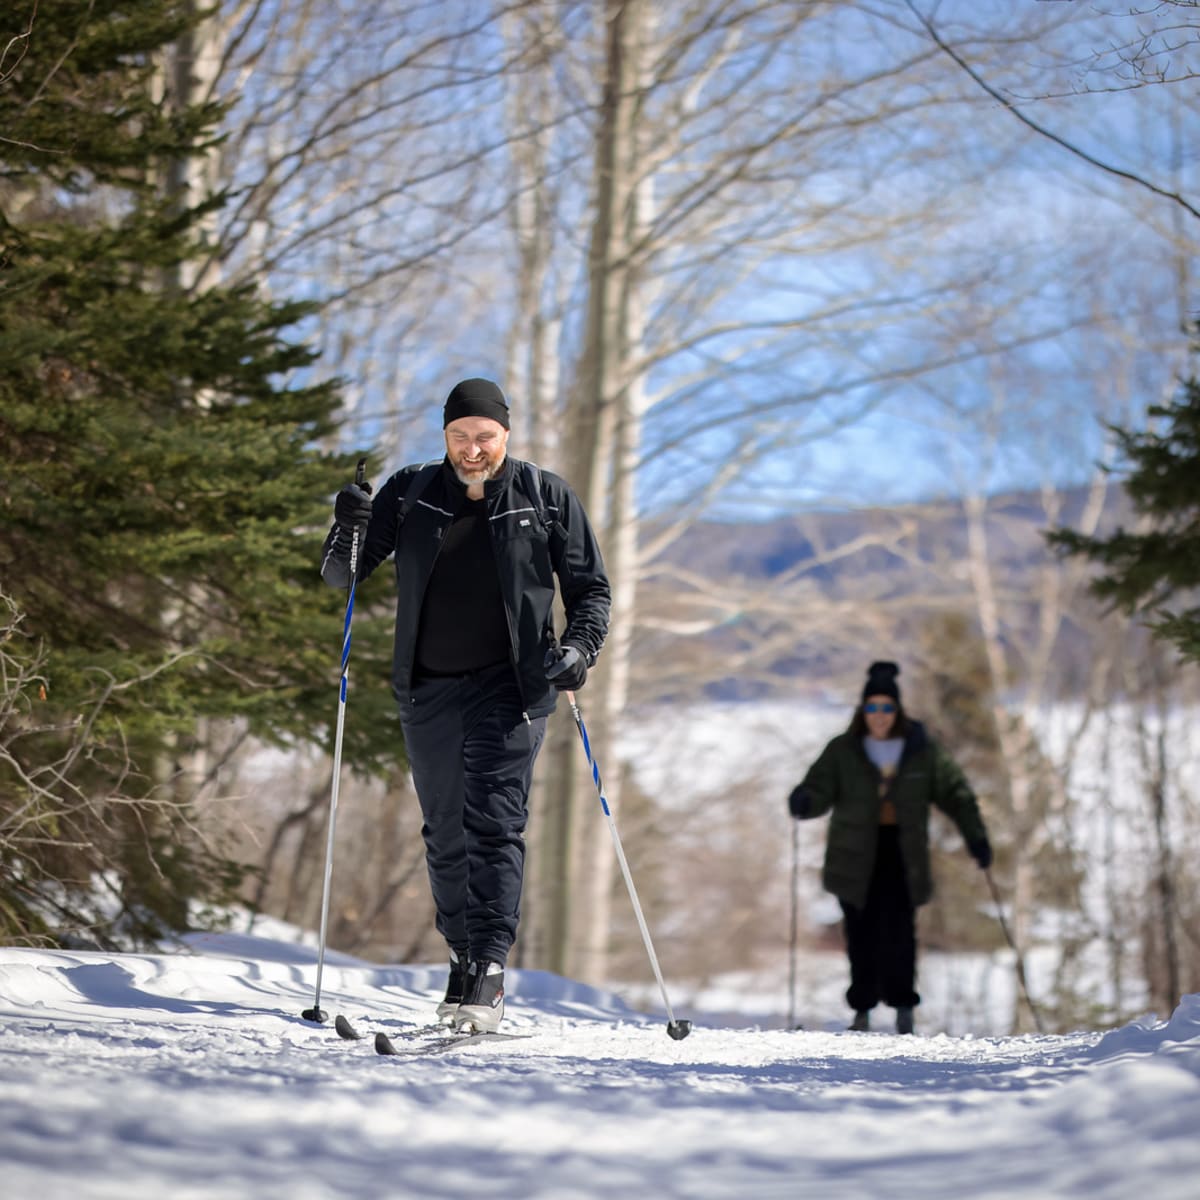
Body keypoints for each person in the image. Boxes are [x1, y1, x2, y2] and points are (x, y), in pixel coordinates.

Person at [320, 378, 610, 1032]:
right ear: (445, 436)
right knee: (445, 832)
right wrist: (347, 526)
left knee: (493, 823)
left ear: (505, 434)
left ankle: (490, 968)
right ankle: (460, 957)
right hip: (428, 688)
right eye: (460, 436)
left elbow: (591, 589)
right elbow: (343, 576)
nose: (473, 448)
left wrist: (579, 650)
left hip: (514, 689)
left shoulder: (544, 493)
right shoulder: (412, 490)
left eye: (485, 436)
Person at [787, 661, 992, 1035]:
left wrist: (976, 837)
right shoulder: (843, 750)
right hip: (853, 856)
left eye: (886, 708)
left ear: (897, 711)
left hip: (903, 854)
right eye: (872, 707)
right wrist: (803, 800)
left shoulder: (920, 750)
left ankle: (903, 1008)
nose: (879, 715)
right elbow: (818, 789)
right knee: (860, 932)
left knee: (899, 933)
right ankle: (862, 1011)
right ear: (862, 711)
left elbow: (957, 794)